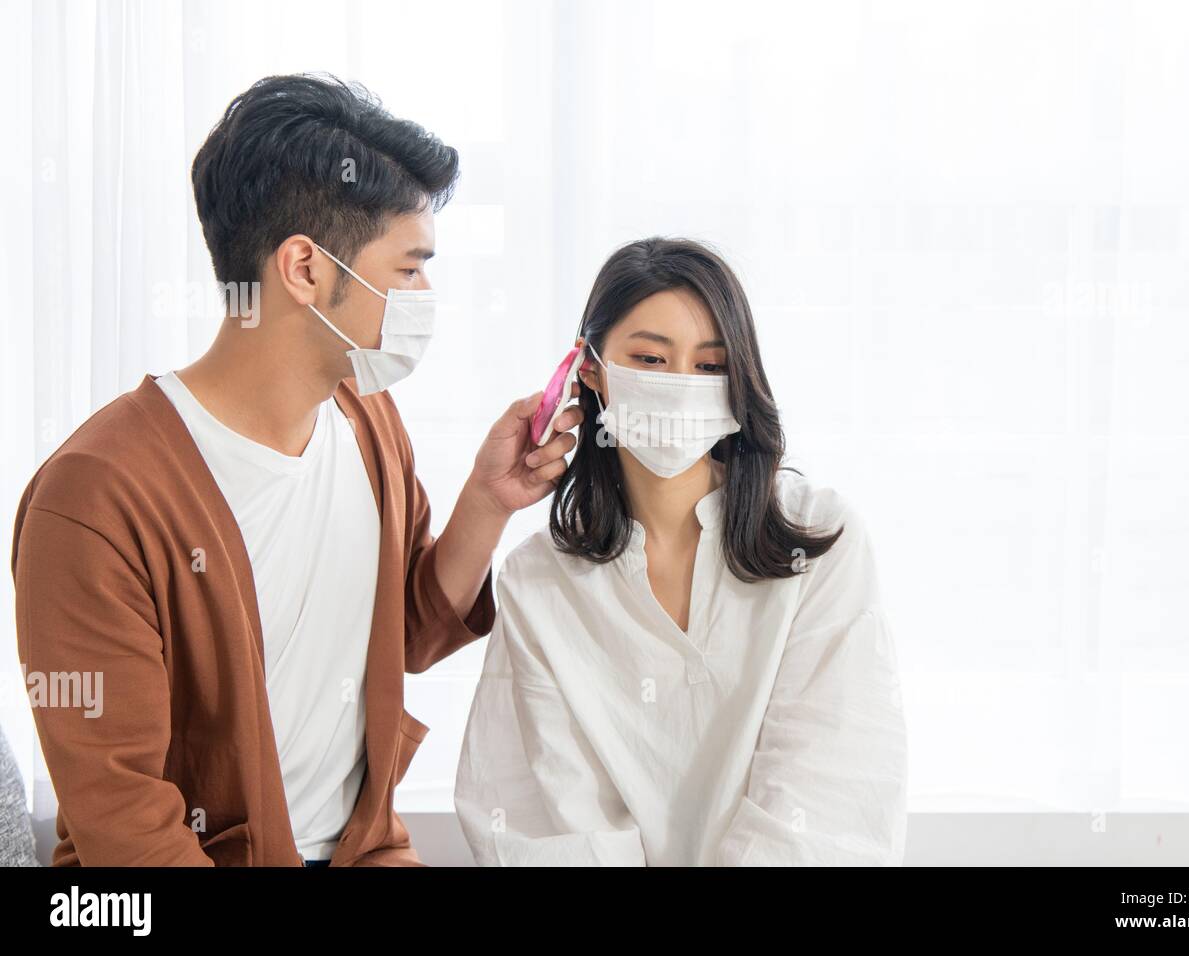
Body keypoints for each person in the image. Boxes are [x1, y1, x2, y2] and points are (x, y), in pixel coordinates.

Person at [11, 73, 580, 867]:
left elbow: (404, 640)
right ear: (306, 269)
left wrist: (488, 505)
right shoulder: (95, 496)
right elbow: (125, 822)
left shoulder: (367, 420)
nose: (426, 294)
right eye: (409, 268)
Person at [454, 237, 908, 866]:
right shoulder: (539, 580)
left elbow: (830, 783)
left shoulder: (819, 539)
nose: (680, 386)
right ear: (589, 368)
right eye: (649, 358)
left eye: (709, 366)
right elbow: (542, 815)